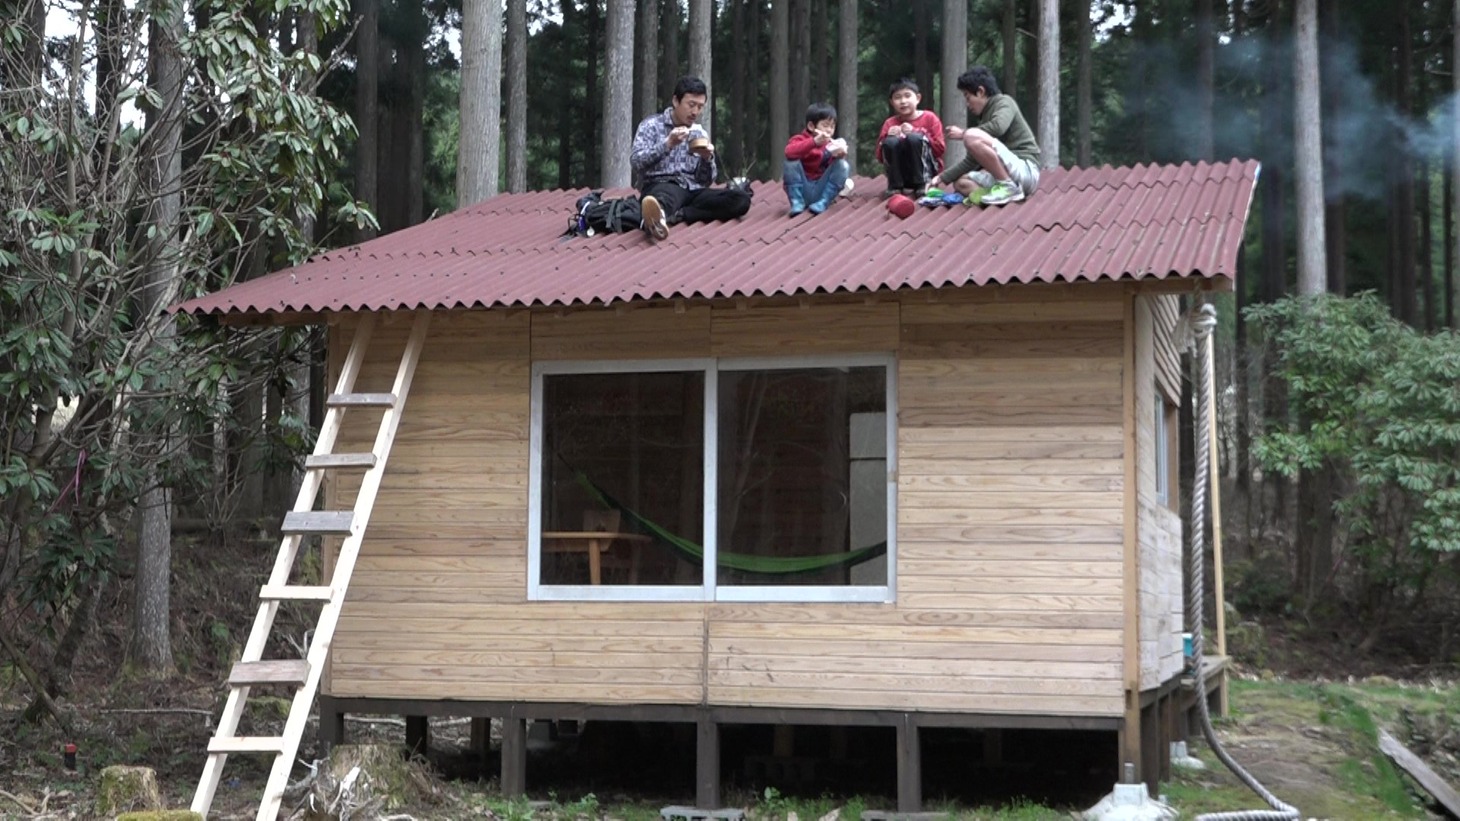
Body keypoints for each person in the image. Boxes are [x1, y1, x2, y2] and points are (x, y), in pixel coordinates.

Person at [630, 75, 752, 241]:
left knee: (740, 200)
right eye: (691, 105)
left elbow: (706, 181)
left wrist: (707, 159)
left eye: (700, 107)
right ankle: (656, 218)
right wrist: (667, 145)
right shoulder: (651, 125)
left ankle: (680, 214)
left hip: (692, 191)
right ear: (675, 101)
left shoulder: (699, 133)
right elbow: (636, 162)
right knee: (664, 197)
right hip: (661, 185)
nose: (695, 112)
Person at [936, 66, 1041, 206]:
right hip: (1007, 173)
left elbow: (999, 126)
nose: (968, 105)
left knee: (971, 135)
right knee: (961, 183)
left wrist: (964, 133)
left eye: (968, 98)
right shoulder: (984, 120)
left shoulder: (1004, 102)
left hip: (1025, 171)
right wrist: (940, 178)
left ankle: (1008, 187)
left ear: (980, 91)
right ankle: (992, 196)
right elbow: (971, 161)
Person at [875, 78, 945, 198]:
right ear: (892, 102)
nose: (903, 101)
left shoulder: (929, 118)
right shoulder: (889, 123)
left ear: (918, 98)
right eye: (897, 98)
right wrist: (887, 137)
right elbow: (880, 157)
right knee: (890, 142)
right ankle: (895, 187)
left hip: (926, 171)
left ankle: (923, 184)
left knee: (914, 138)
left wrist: (917, 132)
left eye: (907, 96)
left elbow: (940, 149)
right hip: (903, 174)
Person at [783, 102, 852, 216]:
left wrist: (838, 156)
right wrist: (813, 142)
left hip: (821, 188)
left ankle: (823, 202)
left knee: (843, 165)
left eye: (832, 126)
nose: (829, 130)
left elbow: (835, 171)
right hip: (803, 186)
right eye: (825, 125)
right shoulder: (800, 139)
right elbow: (789, 152)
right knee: (791, 163)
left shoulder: (831, 144)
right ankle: (797, 202)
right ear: (811, 126)